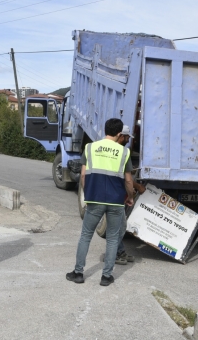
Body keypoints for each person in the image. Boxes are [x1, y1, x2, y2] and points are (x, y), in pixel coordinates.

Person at [66, 118, 134, 287]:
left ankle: (78, 273)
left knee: (86, 236)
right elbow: (128, 181)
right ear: (119, 134)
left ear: (105, 130)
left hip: (94, 198)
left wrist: (88, 194)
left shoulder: (90, 148)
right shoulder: (124, 153)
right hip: (116, 202)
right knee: (112, 239)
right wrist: (130, 197)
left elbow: (83, 176)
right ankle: (106, 277)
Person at [114, 125, 146, 265]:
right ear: (121, 135)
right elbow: (125, 179)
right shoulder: (122, 152)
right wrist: (136, 189)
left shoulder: (113, 150)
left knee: (118, 226)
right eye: (127, 137)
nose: (128, 140)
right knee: (118, 227)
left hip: (113, 195)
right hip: (114, 196)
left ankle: (119, 252)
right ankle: (114, 255)